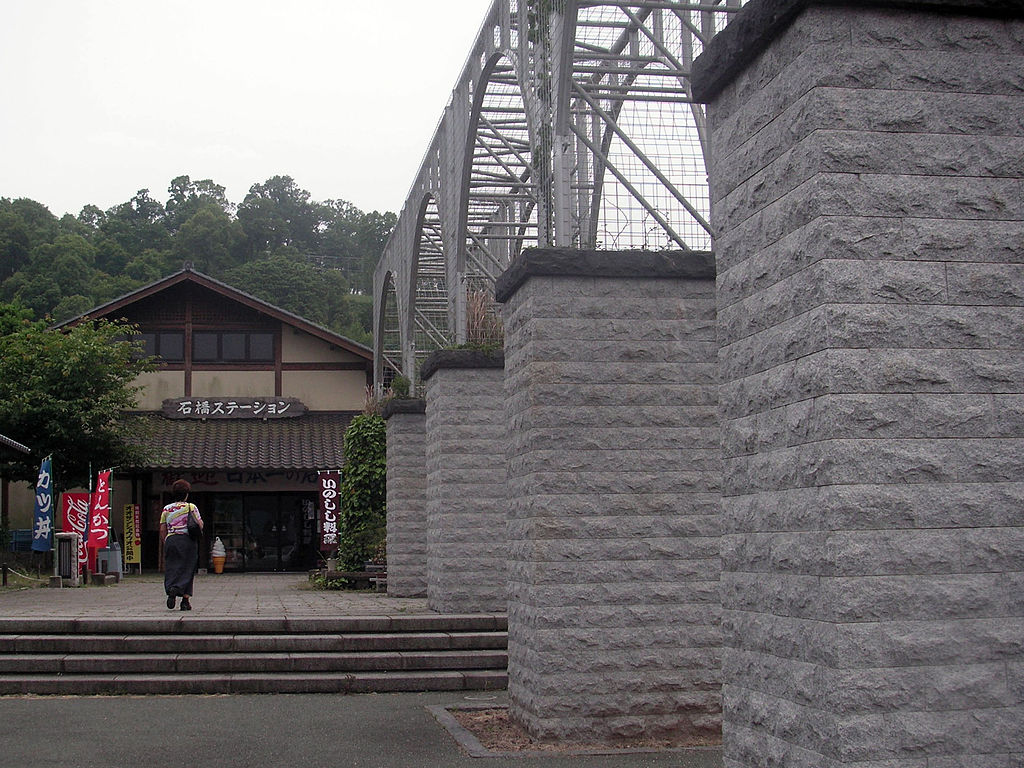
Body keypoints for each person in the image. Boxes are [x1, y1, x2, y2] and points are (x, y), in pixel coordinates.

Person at [160, 479, 203, 610]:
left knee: (172, 566)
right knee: (188, 569)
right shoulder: (191, 507)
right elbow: (200, 524)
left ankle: (172, 589)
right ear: (186, 494)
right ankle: (185, 600)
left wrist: (166, 541)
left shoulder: (167, 509)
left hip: (171, 540)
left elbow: (162, 528)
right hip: (187, 540)